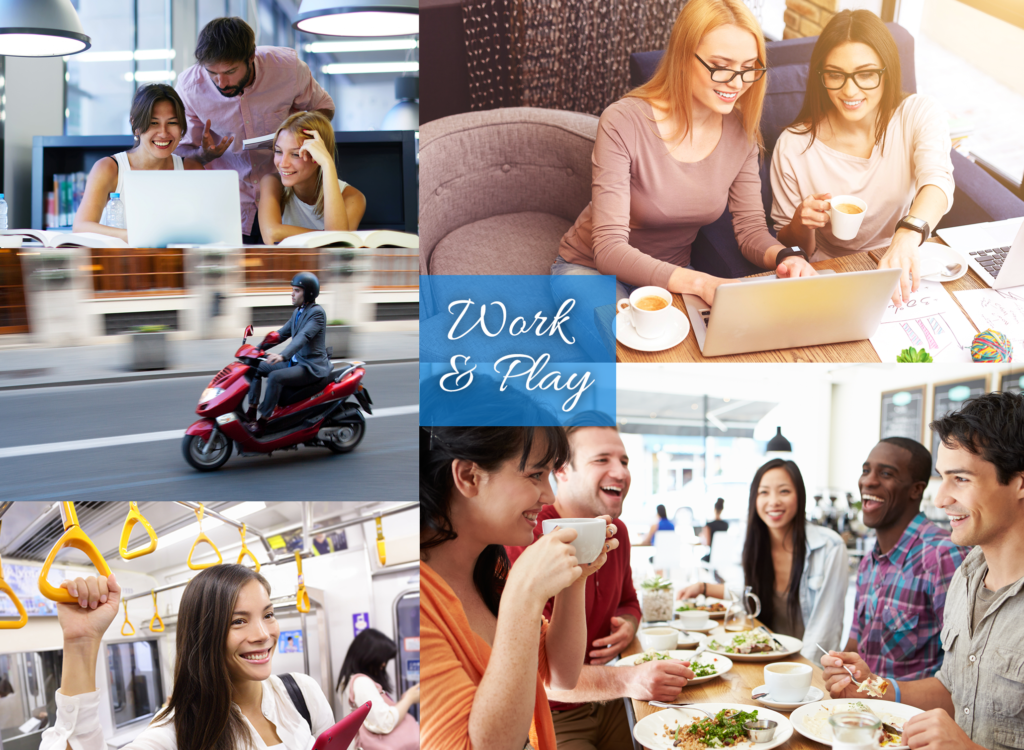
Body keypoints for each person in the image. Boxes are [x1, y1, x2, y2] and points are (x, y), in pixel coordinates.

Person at [552, 0, 816, 305]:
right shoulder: (623, 120)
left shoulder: (742, 133)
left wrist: (787, 257)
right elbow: (609, 250)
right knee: (623, 342)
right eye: (720, 67)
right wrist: (700, 282)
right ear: (682, 57)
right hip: (590, 270)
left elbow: (751, 231)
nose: (737, 82)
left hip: (673, 276)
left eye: (748, 68)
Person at [823, 392, 1024, 750]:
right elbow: (953, 690)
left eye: (960, 479)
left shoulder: (942, 556)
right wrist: (876, 687)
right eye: (942, 478)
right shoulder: (967, 577)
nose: (940, 498)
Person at [420, 426, 617, 750]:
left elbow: (559, 675)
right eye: (535, 474)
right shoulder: (423, 598)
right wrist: (523, 598)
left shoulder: (489, 569)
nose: (550, 495)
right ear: (469, 477)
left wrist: (576, 577)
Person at [507, 425, 694, 750]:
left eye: (624, 460)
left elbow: (630, 601)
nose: (620, 471)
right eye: (602, 459)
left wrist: (628, 623)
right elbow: (543, 678)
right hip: (555, 713)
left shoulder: (615, 530)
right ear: (561, 470)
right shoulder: (527, 536)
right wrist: (631, 679)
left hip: (611, 698)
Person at [38, 565, 335, 750]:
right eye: (238, 621)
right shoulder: (178, 731)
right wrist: (82, 642)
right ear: (204, 634)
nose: (262, 633)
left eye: (268, 615)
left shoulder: (302, 692)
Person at [770, 9, 955, 307]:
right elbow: (791, 248)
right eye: (835, 75)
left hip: (897, 261)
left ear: (887, 70)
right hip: (827, 275)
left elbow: (938, 182)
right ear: (821, 76)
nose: (850, 90)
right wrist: (800, 224)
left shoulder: (917, 113)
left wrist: (907, 235)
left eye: (866, 74)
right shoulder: (793, 146)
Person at [175, 17, 335, 244]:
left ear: (251, 57)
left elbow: (324, 109)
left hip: (288, 199)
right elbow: (179, 152)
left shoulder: (287, 68)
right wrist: (203, 155)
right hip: (228, 206)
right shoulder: (189, 87)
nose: (220, 82)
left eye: (230, 71)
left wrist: (295, 137)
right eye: (212, 73)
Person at [677, 458, 848, 659]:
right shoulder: (753, 544)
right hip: (765, 654)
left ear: (800, 496)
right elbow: (747, 592)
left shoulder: (829, 547)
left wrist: (802, 673)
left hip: (804, 667)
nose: (773, 501)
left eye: (784, 491)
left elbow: (824, 629)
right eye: (764, 492)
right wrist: (703, 588)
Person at [847, 438, 967, 681]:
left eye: (886, 473)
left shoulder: (944, 556)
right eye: (866, 470)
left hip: (914, 717)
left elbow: (964, 676)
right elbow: (854, 645)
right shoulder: (869, 562)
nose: (868, 481)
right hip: (863, 714)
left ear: (916, 489)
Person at [73, 84, 204, 241]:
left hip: (175, 263)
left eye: (172, 122)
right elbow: (81, 227)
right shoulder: (109, 168)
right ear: (136, 126)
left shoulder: (192, 170)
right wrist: (135, 236)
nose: (163, 133)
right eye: (154, 123)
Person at [258, 111, 366, 244]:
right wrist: (327, 236)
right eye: (279, 151)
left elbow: (337, 245)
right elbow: (271, 234)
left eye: (296, 154)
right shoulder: (272, 182)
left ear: (318, 155)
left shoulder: (353, 197)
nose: (282, 163)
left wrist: (327, 164)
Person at [246, 272, 331, 432]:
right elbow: (280, 334)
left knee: (275, 377)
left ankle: (263, 422)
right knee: (255, 367)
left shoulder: (317, 313)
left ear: (309, 292)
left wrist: (282, 355)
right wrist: (256, 349)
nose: (292, 294)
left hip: (311, 367)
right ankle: (251, 411)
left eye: (297, 290)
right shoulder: (298, 312)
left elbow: (303, 337)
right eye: (292, 289)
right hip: (296, 361)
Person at [336, 629, 419, 750]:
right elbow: (385, 722)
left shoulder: (346, 681)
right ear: (369, 656)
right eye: (382, 659)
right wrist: (409, 699)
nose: (384, 664)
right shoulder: (361, 683)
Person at [700, 497, 730, 562]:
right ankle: (715, 572)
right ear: (722, 509)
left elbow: (707, 543)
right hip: (723, 556)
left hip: (712, 557)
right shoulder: (726, 525)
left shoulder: (708, 525)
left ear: (714, 509)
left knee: (702, 560)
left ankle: (714, 572)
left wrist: (702, 536)